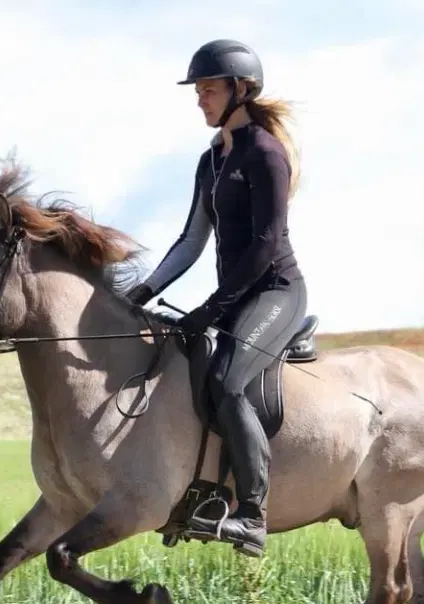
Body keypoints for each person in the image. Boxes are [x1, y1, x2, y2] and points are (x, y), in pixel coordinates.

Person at [127, 38, 308, 556]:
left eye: (208, 89)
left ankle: (252, 515)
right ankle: (202, 494)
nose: (200, 100)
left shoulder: (265, 154)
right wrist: (141, 292)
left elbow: (266, 244)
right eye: (199, 90)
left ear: (240, 89)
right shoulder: (211, 161)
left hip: (275, 291)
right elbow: (190, 241)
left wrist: (213, 306)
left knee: (228, 382)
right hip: (236, 295)